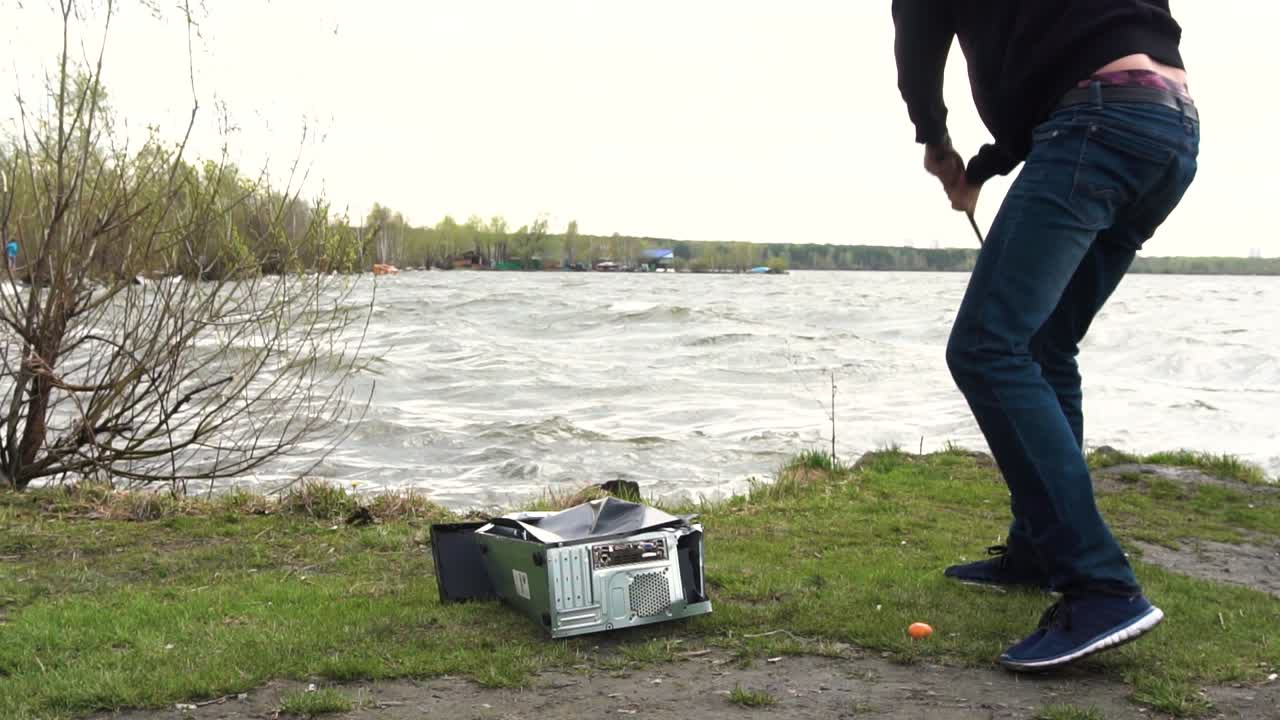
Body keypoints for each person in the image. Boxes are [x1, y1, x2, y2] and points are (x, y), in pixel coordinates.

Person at [892, 1, 1199, 671]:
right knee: (1043, 345)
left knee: (986, 346)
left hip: (1098, 122)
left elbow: (919, 32)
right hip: (1167, 125)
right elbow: (1078, 40)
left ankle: (1099, 586)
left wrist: (934, 138)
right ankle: (1038, 548)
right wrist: (989, 164)